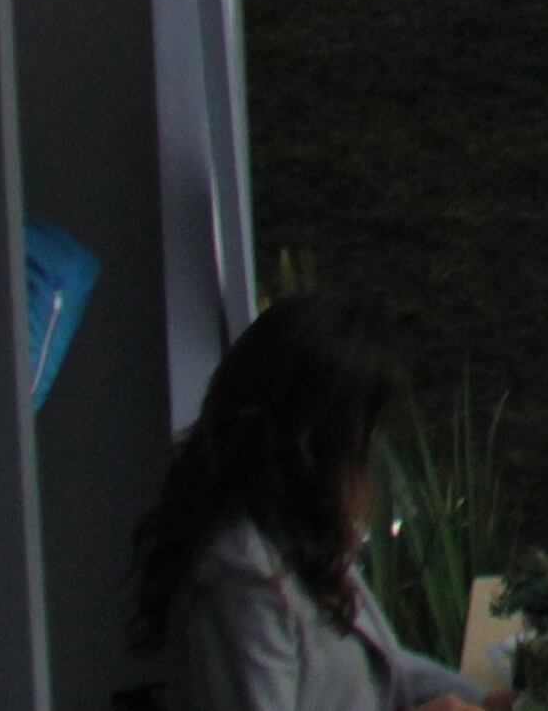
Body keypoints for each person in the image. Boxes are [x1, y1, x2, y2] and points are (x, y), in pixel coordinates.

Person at [129, 289, 504, 711]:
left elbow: (386, 671)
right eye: (365, 428)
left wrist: (489, 701)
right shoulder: (239, 581)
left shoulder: (302, 531)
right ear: (319, 438)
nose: (372, 448)